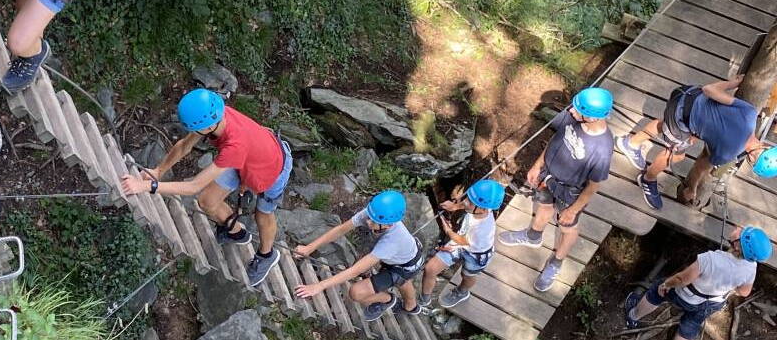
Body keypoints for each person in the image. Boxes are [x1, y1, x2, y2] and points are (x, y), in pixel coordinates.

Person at [120, 89, 292, 287]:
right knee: (207, 201)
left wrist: (145, 186)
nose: (194, 132)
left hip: (274, 168)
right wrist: (159, 170)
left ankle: (267, 255)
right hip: (248, 157)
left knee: (263, 215)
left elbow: (194, 186)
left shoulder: (233, 144)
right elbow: (185, 146)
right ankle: (236, 233)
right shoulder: (215, 114)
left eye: (196, 128)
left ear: (208, 125)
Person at [498, 87, 614, 292]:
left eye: (579, 111)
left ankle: (556, 263)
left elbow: (594, 185)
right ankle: (533, 235)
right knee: (543, 206)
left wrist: (573, 210)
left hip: (571, 192)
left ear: (594, 118)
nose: (571, 111)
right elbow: (555, 140)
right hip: (548, 176)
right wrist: (537, 164)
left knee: (567, 229)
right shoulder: (575, 117)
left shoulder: (602, 150)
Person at [616, 77, 777, 209]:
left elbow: (709, 90)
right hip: (680, 117)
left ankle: (631, 143)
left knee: (669, 126)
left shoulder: (750, 113)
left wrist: (732, 83)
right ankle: (648, 179)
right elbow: (700, 166)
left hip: (687, 93)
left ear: (767, 146)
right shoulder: (728, 154)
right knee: (676, 155)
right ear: (752, 161)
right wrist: (692, 189)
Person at [292, 191, 421, 321]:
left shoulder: (392, 241)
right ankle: (407, 304)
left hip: (405, 266)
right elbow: (341, 230)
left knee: (356, 292)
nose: (368, 222)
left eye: (373, 221)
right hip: (397, 256)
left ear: (389, 225)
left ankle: (388, 299)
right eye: (369, 217)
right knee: (400, 281)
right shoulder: (375, 213)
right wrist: (309, 248)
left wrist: (318, 286)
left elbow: (355, 271)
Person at [624, 226, 771, 340]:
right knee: (690, 325)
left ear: (738, 246)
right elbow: (744, 292)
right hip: (712, 303)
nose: (738, 228)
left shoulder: (709, 259)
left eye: (742, 233)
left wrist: (667, 285)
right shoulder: (751, 267)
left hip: (686, 295)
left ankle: (633, 316)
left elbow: (682, 279)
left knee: (656, 291)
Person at [419, 179, 504, 309]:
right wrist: (455, 207)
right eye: (468, 197)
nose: (465, 201)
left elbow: (464, 241)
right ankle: (424, 299)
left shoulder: (483, 229)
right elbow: (467, 206)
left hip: (476, 253)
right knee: (430, 268)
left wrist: (448, 231)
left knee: (467, 275)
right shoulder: (480, 207)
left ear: (481, 208)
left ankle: (462, 292)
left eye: (470, 201)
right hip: (462, 241)